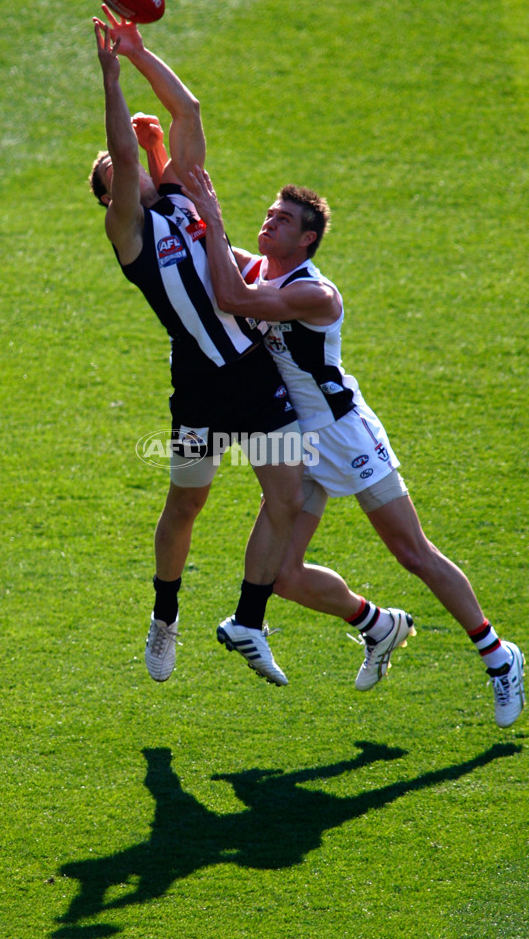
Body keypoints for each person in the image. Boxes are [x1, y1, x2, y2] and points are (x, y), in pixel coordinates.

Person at [183, 165, 525, 728]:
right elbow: (214, 259)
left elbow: (228, 291)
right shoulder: (261, 268)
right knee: (285, 577)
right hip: (298, 437)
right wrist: (164, 169)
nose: (270, 223)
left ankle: (499, 656)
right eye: (269, 214)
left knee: (412, 551)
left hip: (345, 433)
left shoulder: (314, 293)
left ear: (308, 239)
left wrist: (212, 217)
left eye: (284, 220)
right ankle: (378, 625)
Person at [90, 12, 311, 688]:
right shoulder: (126, 232)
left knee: (288, 497)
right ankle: (165, 617)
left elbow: (185, 107)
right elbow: (126, 156)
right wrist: (109, 76)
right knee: (187, 503)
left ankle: (248, 619)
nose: (124, 158)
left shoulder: (186, 190)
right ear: (106, 196)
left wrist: (138, 50)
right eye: (108, 168)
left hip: (251, 376)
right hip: (200, 392)